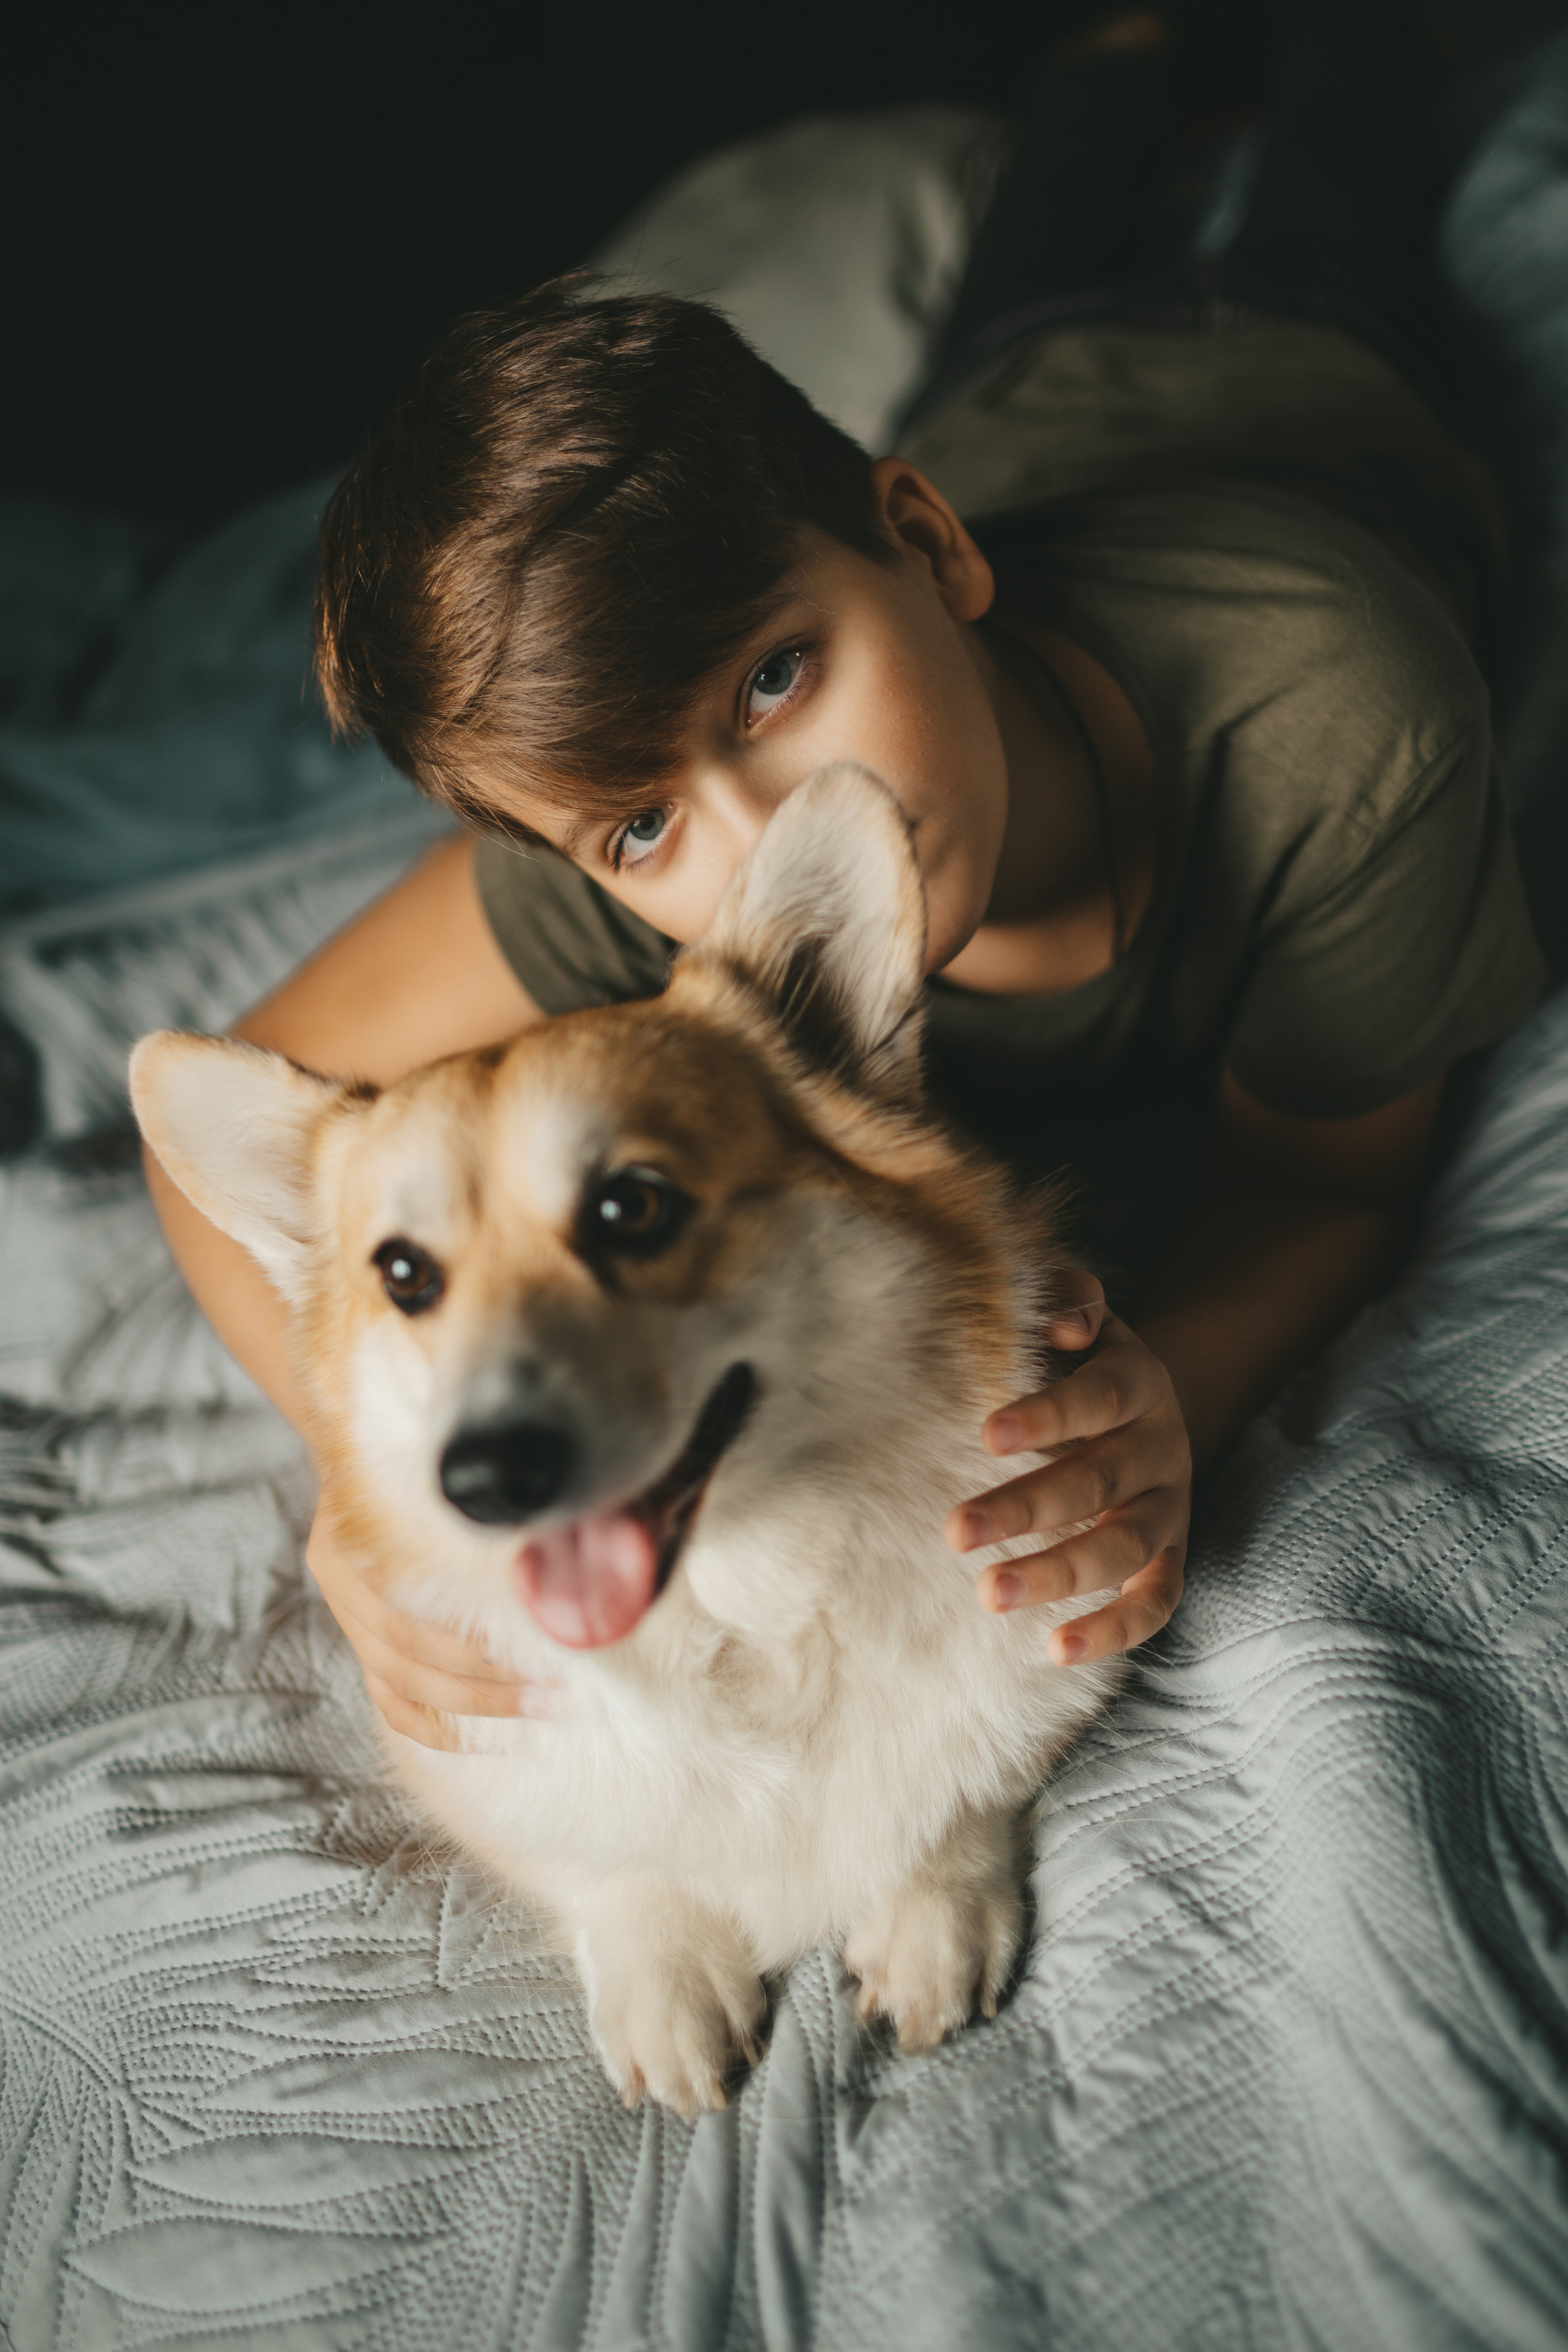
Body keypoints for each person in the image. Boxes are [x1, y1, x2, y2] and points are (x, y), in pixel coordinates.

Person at [144, 3, 1547, 1746]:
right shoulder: (660, 878)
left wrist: (1170, 1384)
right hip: (1011, 417)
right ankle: (1105, 70)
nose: (764, 835)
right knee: (1037, 248)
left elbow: (1324, 1182)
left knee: (1344, 187)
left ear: (928, 550)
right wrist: (363, 1486)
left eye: (776, 680)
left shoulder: (1341, 726)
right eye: (640, 825)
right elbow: (233, 1138)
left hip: (1309, 412)